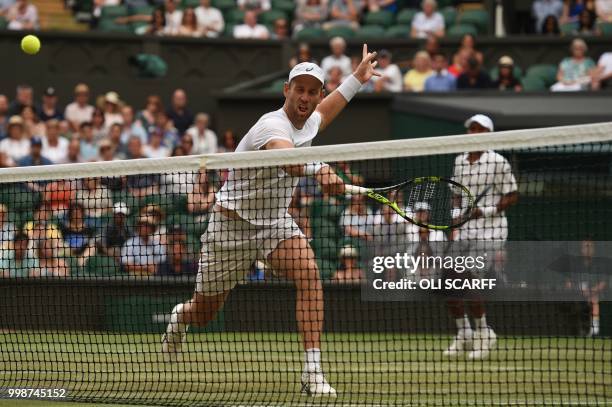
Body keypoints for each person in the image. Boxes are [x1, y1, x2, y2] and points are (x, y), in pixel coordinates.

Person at [162, 46, 380, 397]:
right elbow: (287, 158)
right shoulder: (270, 125)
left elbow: (328, 110)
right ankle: (179, 316)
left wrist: (357, 79)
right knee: (203, 314)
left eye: (312, 91)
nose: (306, 97)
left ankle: (312, 371)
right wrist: (319, 169)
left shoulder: (310, 119)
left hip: (274, 224)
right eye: (299, 89)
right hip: (230, 228)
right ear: (286, 91)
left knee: (309, 274)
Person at [444, 114, 518, 360]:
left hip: (492, 229)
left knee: (468, 277)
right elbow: (455, 193)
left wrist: (484, 211)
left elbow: (512, 195)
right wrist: (456, 215)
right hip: (465, 229)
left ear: (489, 133)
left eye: (480, 129)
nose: (474, 132)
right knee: (448, 278)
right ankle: (464, 332)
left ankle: (484, 332)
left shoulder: (498, 162)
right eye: (471, 129)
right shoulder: (459, 161)